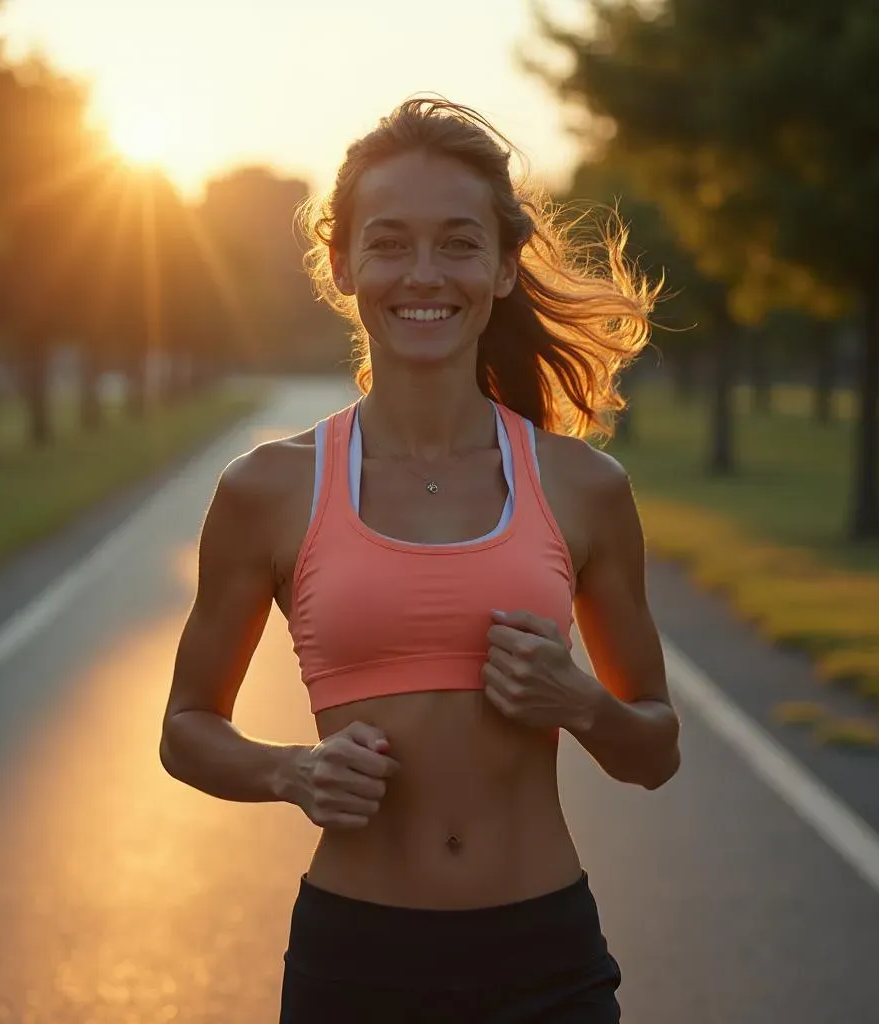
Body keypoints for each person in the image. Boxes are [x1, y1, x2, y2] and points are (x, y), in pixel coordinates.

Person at [160, 98, 680, 1023]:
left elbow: (654, 750)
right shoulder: (267, 490)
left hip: (545, 961)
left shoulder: (583, 488)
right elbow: (188, 727)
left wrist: (582, 703)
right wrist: (291, 772)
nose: (424, 274)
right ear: (344, 264)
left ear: (503, 267)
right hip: (358, 964)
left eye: (458, 243)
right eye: (391, 242)